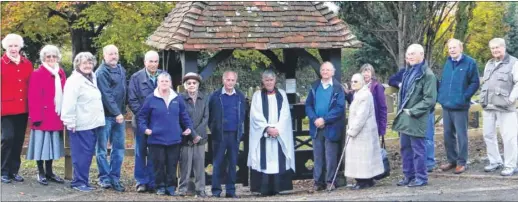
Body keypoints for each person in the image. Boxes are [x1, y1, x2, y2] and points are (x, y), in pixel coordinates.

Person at [137, 72, 194, 196]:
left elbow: (184, 115)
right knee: (159, 164)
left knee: (172, 164)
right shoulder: (151, 98)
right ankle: (160, 186)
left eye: (166, 81)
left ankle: (171, 187)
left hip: (174, 138)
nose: (164, 83)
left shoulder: (177, 98)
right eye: (162, 81)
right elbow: (141, 117)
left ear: (170, 83)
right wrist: (145, 129)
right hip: (156, 138)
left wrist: (189, 127)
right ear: (157, 83)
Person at [392, 44, 437, 187]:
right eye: (408, 54)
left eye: (412, 54)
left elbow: (429, 100)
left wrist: (412, 111)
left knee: (418, 149)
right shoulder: (407, 72)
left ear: (421, 55)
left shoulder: (428, 75)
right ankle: (408, 176)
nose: (409, 57)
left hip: (416, 117)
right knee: (405, 148)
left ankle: (421, 178)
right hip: (404, 116)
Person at [61, 52, 106, 192]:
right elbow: (68, 103)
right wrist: (70, 122)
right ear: (78, 65)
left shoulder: (92, 77)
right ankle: (78, 182)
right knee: (81, 154)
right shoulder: (74, 81)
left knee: (87, 154)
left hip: (92, 123)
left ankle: (84, 181)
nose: (88, 65)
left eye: (90, 63)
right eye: (84, 63)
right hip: (80, 125)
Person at [248, 70, 296, 196]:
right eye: (266, 80)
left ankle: (278, 187)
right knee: (262, 159)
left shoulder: (282, 94)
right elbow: (255, 115)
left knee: (279, 160)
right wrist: (267, 128)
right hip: (263, 134)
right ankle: (263, 188)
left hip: (279, 134)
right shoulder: (257, 95)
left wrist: (277, 129)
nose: (269, 82)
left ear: (275, 81)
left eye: (271, 80)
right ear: (263, 81)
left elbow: (285, 114)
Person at [437, 38, 480, 174]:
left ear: (461, 48)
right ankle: (452, 160)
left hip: (460, 106)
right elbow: (444, 81)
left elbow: (475, 83)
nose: (452, 50)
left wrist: (464, 97)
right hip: (447, 105)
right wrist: (441, 95)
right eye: (450, 48)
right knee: (448, 134)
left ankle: (462, 162)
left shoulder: (470, 62)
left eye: (454, 47)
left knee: (461, 135)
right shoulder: (448, 62)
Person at [26, 45, 66, 185]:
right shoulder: (37, 73)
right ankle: (40, 172)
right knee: (40, 144)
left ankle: (49, 171)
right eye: (48, 56)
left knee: (52, 145)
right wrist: (36, 117)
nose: (51, 59)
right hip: (42, 116)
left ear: (57, 58)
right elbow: (33, 96)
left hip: (55, 115)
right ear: (43, 58)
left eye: (53, 56)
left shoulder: (60, 73)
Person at [479, 38, 518, 176]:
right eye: (492, 48)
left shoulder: (514, 63)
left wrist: (511, 99)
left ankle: (510, 165)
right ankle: (495, 161)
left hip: (505, 107)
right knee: (488, 135)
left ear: (504, 47)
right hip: (489, 105)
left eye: (497, 47)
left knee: (509, 137)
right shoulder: (489, 63)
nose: (495, 50)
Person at [305, 62, 346, 192]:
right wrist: (314, 119)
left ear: (333, 72)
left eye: (328, 70)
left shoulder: (338, 88)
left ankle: (330, 181)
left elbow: (339, 108)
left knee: (330, 156)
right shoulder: (314, 86)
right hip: (316, 127)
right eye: (323, 69)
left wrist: (325, 119)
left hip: (331, 127)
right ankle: (318, 182)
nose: (325, 72)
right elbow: (308, 105)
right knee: (318, 157)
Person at [128, 50, 162, 193]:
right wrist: (144, 117)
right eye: (150, 61)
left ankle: (153, 181)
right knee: (140, 151)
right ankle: (141, 181)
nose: (153, 64)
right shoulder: (136, 77)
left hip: (159, 122)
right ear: (145, 62)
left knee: (155, 152)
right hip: (141, 122)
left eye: (155, 61)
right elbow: (132, 100)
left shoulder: (163, 76)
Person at [1, 33, 34, 183]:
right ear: (5, 47)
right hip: (5, 108)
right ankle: (3, 171)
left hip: (23, 108)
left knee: (19, 140)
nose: (13, 49)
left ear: (20, 47)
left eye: (16, 46)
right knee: (8, 138)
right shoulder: (1, 63)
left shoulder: (27, 64)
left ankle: (14, 171)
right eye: (10, 46)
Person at [208, 71, 246, 198]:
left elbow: (243, 114)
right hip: (220, 135)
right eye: (228, 80)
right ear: (223, 80)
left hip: (234, 134)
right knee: (217, 163)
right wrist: (214, 128)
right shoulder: (215, 96)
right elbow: (210, 115)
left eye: (232, 80)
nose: (230, 82)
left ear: (236, 81)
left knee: (232, 163)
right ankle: (216, 191)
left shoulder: (240, 96)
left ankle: (231, 191)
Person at [95, 44, 127, 192]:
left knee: (119, 149)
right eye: (110, 54)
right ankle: (104, 178)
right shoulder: (101, 72)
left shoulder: (121, 70)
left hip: (119, 116)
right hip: (106, 117)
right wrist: (117, 113)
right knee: (102, 149)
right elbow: (106, 95)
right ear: (104, 56)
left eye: (116, 53)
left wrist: (122, 111)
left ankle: (115, 177)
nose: (114, 56)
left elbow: (123, 92)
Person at [344, 73, 384, 190]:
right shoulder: (357, 94)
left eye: (356, 81)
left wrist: (352, 131)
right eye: (352, 81)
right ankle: (362, 180)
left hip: (363, 132)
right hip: (359, 132)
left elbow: (361, 116)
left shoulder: (365, 95)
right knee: (359, 157)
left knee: (363, 157)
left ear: (362, 82)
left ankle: (364, 181)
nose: (353, 83)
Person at [177, 72, 209, 197]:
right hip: (186, 137)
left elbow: (206, 118)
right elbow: (182, 117)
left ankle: (201, 190)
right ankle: (182, 189)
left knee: (199, 166)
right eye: (188, 83)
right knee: (185, 165)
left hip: (200, 138)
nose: (191, 85)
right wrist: (192, 134)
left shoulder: (204, 98)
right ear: (185, 85)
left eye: (194, 83)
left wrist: (197, 135)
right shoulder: (180, 98)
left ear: (198, 84)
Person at [346, 64, 387, 137]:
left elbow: (382, 107)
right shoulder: (356, 86)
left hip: (372, 123)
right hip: (358, 124)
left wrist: (382, 128)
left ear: (372, 74)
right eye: (364, 72)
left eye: (368, 72)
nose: (366, 74)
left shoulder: (377, 87)